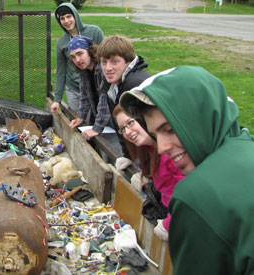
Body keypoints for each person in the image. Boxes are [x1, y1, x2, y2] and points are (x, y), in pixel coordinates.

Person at [119, 65, 254, 274]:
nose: (162, 147)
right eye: (156, 135)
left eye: (170, 129)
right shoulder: (246, 145)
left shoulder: (195, 195)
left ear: (200, 115)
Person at [113, 104, 184, 241]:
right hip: (167, 209)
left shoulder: (170, 152)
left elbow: (190, 194)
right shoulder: (149, 148)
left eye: (130, 123)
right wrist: (148, 177)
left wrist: (170, 223)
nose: (127, 132)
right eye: (123, 129)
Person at [97, 35, 151, 169]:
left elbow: (149, 131)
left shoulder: (134, 86)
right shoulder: (112, 84)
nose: (108, 68)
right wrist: (127, 155)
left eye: (114, 61)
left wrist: (147, 170)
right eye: (104, 62)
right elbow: (120, 125)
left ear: (128, 62)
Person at [51, 3, 104, 114]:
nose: (66, 21)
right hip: (73, 88)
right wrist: (57, 99)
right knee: (78, 120)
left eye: (69, 16)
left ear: (75, 16)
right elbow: (61, 71)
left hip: (94, 85)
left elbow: (104, 59)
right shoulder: (61, 42)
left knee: (96, 116)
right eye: (62, 18)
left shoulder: (94, 32)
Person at [67, 36, 111, 141]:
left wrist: (97, 128)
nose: (77, 60)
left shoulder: (102, 69)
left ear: (90, 51)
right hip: (100, 117)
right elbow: (85, 96)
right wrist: (81, 117)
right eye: (73, 57)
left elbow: (105, 100)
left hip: (114, 120)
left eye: (80, 53)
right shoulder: (84, 70)